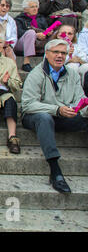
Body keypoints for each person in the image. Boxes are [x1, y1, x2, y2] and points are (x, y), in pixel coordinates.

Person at [22, 39, 88, 193]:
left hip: (63, 116)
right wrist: (57, 109)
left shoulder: (72, 74)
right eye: (55, 52)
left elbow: (80, 98)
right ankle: (55, 170)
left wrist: (79, 109)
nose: (60, 56)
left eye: (63, 53)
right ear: (46, 54)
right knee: (44, 118)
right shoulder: (36, 74)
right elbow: (28, 104)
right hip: (35, 117)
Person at [14, 0, 52, 72]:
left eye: (36, 6)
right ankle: (26, 63)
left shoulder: (41, 18)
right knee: (31, 32)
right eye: (32, 7)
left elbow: (45, 29)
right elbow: (18, 33)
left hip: (39, 43)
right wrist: (36, 35)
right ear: (25, 9)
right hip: (22, 44)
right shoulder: (19, 19)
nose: (35, 9)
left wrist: (47, 32)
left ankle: (50, 63)